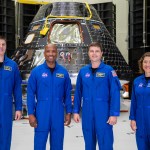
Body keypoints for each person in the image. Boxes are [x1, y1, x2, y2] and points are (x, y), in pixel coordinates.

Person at [73, 42, 121, 150]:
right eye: (92, 51)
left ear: (101, 53)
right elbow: (78, 92)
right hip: (87, 113)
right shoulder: (83, 71)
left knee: (106, 143)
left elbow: (115, 92)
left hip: (103, 113)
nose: (94, 54)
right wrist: (76, 111)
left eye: (97, 51)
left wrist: (113, 114)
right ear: (88, 53)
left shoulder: (109, 71)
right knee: (89, 144)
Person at [27, 43, 72, 150]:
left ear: (57, 53)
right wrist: (31, 114)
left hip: (58, 112)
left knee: (57, 144)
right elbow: (30, 94)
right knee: (39, 143)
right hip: (42, 112)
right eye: (48, 51)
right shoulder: (36, 72)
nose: (51, 54)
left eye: (53, 51)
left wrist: (68, 112)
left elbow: (67, 94)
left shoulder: (63, 72)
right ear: (44, 53)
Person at [0, 36, 22, 150]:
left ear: (6, 46)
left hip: (6, 107)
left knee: (5, 135)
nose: (1, 47)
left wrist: (18, 108)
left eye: (3, 44)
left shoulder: (12, 66)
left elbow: (17, 89)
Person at [129, 52, 150, 150]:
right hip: (140, 120)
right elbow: (134, 102)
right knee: (141, 145)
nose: (147, 64)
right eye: (145, 62)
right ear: (142, 64)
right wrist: (132, 119)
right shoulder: (137, 81)